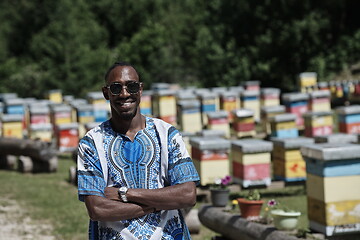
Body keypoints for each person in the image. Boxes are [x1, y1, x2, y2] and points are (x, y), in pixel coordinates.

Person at [77, 61, 200, 240]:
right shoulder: (91, 143)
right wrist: (157, 204)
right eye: (116, 88)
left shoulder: (167, 134)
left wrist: (125, 194)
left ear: (140, 90)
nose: (125, 93)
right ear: (106, 93)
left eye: (132, 86)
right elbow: (97, 209)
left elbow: (188, 195)